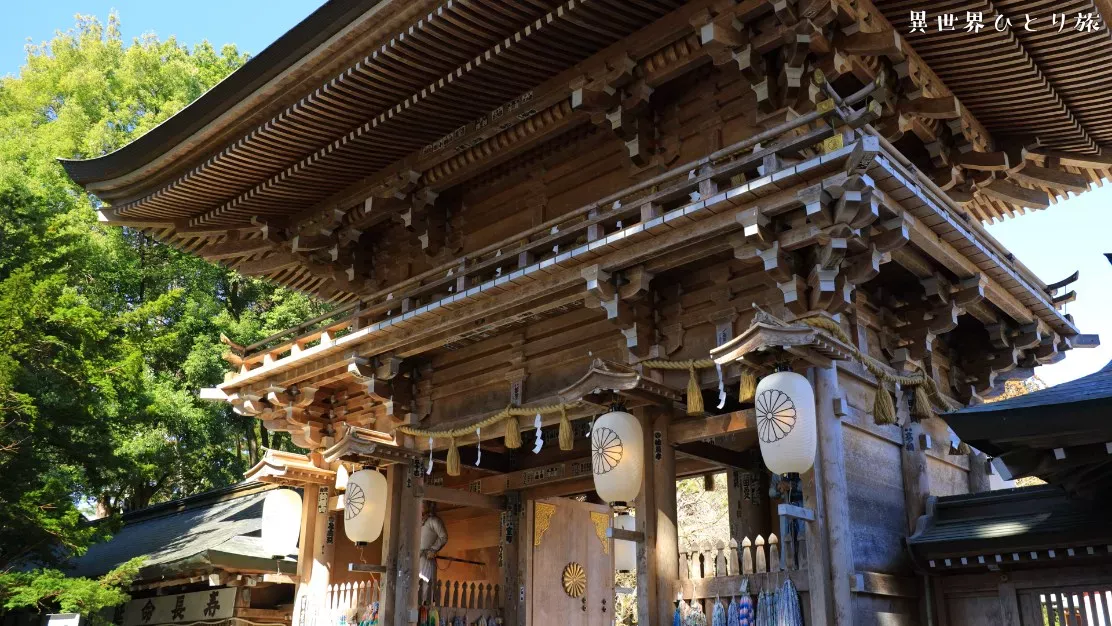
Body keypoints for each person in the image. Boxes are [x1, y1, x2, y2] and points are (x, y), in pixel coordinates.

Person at [418, 502, 448, 583]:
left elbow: (443, 537)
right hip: (415, 558)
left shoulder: (433, 521)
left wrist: (433, 550)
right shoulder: (416, 523)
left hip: (427, 558)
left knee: (425, 586)